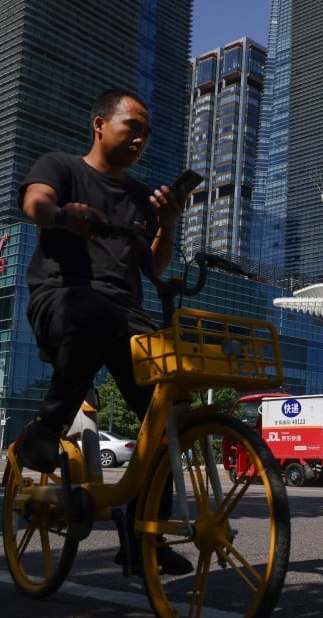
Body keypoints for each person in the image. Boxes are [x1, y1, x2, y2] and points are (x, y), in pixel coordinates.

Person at [17, 87, 191, 576]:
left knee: (170, 406)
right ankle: (46, 429)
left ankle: (141, 537)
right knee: (95, 313)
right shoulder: (62, 166)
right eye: (131, 127)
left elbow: (154, 265)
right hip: (63, 299)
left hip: (125, 313)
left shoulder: (140, 196)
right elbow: (35, 201)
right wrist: (61, 215)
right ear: (100, 123)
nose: (140, 138)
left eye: (146, 133)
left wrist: (168, 224)